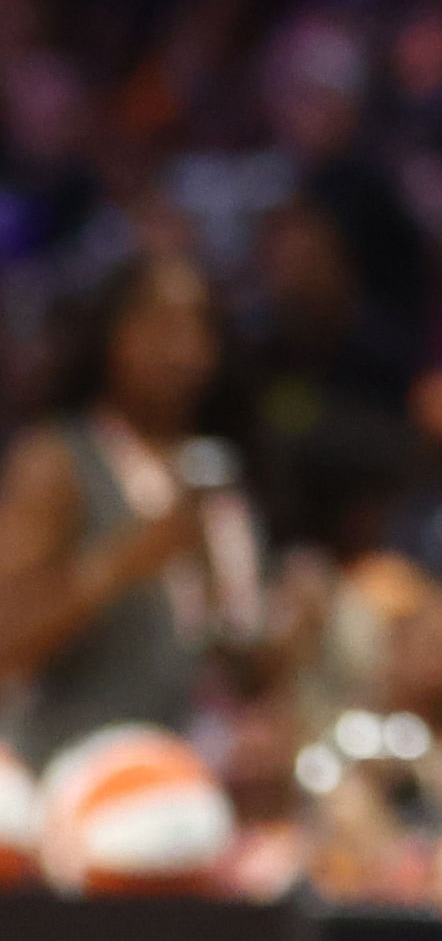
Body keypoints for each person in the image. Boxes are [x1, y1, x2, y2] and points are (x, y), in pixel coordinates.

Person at [0, 249, 258, 758]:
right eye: (161, 326)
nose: (184, 350)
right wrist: (120, 564)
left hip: (201, 763)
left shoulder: (218, 470)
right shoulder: (57, 462)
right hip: (77, 765)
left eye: (200, 327)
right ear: (109, 334)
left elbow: (227, 658)